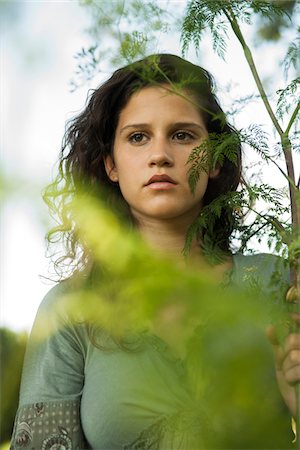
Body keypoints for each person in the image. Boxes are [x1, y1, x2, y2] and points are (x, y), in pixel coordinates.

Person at [10, 54, 299, 449]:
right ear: (111, 165)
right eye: (138, 136)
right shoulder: (71, 310)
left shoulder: (278, 282)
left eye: (182, 135)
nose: (160, 154)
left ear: (214, 159)